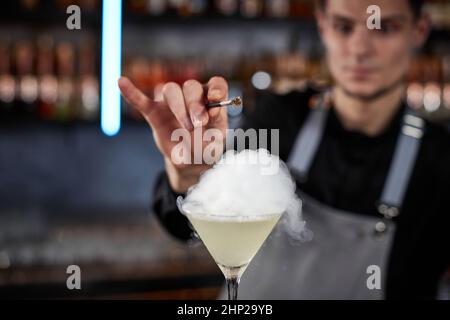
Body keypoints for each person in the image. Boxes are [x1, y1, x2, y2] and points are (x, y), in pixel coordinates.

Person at [118, 0, 450, 299]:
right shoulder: (277, 118)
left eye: (386, 27)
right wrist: (190, 181)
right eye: (343, 27)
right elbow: (185, 227)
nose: (360, 48)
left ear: (418, 31)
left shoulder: (440, 160)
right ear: (323, 27)